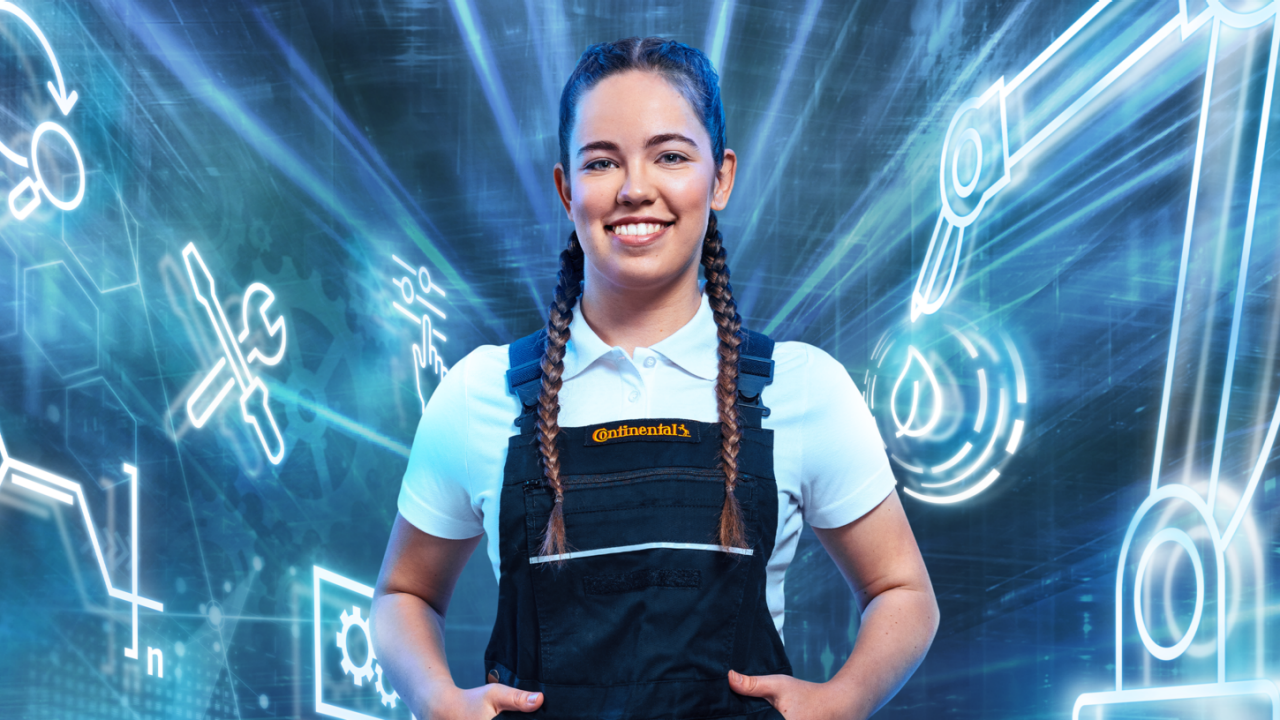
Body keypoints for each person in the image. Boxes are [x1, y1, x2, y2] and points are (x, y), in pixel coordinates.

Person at [372, 37, 938, 720]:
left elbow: (904, 592)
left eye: (670, 156)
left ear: (720, 177)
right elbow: (403, 594)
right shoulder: (480, 392)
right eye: (601, 162)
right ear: (566, 189)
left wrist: (841, 702)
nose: (635, 188)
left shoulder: (801, 387)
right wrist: (437, 699)